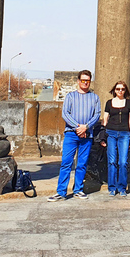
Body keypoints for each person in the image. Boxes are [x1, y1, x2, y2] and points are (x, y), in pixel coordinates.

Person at [48, 70, 101, 201]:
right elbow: (65, 114)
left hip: (87, 134)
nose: (85, 83)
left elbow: (97, 115)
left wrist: (86, 127)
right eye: (83, 80)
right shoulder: (70, 96)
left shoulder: (94, 98)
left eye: (87, 81)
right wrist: (78, 127)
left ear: (90, 82)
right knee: (66, 162)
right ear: (78, 81)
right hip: (72, 134)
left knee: (82, 163)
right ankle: (61, 191)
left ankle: (78, 189)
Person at [101, 80, 130, 197]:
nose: (120, 91)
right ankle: (112, 187)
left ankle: (122, 187)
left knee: (123, 162)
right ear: (114, 90)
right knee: (111, 161)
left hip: (124, 134)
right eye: (118, 89)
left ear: (125, 91)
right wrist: (102, 137)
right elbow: (105, 120)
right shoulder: (109, 103)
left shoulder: (129, 103)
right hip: (111, 133)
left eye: (122, 89)